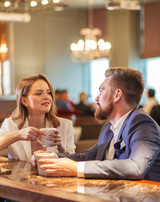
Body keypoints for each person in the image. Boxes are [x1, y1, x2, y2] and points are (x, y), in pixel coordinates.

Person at [31, 67, 160, 182]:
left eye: (101, 91)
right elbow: (87, 156)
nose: (96, 98)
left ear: (117, 95)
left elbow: (136, 167)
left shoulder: (143, 124)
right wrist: (53, 157)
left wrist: (76, 168)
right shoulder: (108, 128)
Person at [0, 74, 75, 161]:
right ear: (24, 101)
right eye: (39, 93)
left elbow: (73, 159)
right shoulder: (11, 124)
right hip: (20, 174)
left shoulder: (65, 125)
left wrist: (61, 148)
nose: (46, 97)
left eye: (48, 92)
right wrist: (18, 135)